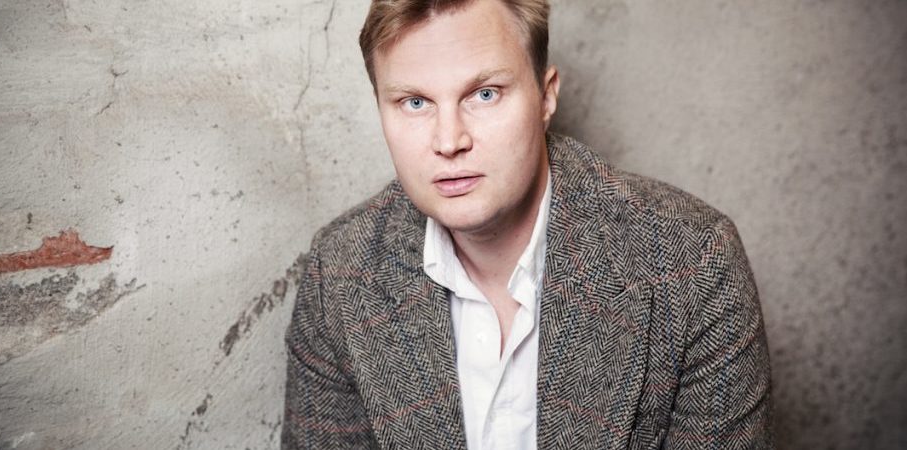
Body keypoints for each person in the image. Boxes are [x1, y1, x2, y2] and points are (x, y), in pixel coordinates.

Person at [281, 0, 773, 448]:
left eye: (485, 94)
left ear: (545, 96)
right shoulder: (338, 274)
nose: (449, 141)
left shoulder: (694, 262)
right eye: (415, 102)